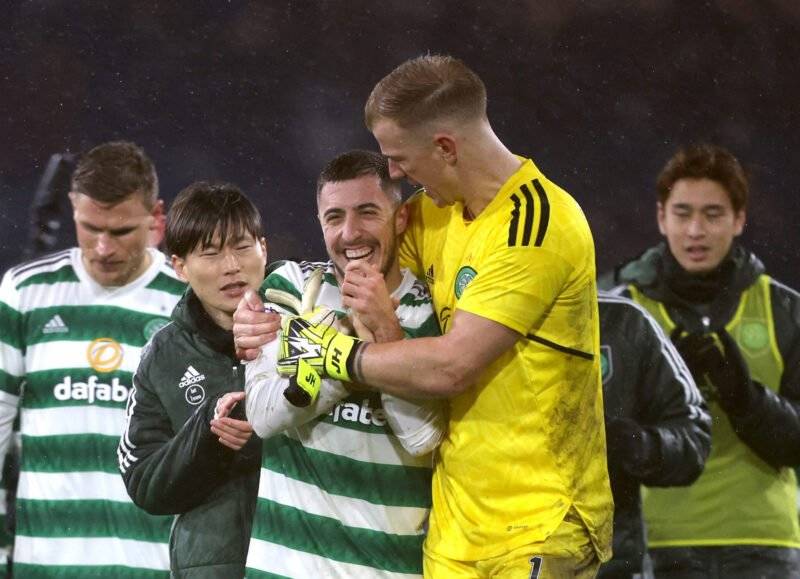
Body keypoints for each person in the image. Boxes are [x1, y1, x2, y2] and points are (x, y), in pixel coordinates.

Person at [234, 55, 613, 578]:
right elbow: (361, 263)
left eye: (398, 158)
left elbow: (450, 368)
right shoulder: (432, 214)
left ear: (445, 148)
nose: (393, 173)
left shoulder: (535, 226)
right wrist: (251, 316)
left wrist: (335, 355)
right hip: (452, 531)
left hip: (537, 522)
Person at [230, 149, 444, 577]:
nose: (350, 233)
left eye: (367, 212)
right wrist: (348, 353)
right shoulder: (291, 288)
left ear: (399, 218)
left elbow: (424, 438)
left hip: (384, 569)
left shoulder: (430, 314)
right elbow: (266, 416)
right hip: (284, 567)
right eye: (334, 217)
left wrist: (385, 332)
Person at [600, 143, 800, 578]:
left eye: (713, 215)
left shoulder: (785, 311)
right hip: (657, 545)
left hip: (763, 543)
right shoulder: (622, 316)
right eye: (683, 213)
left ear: (740, 219)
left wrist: (746, 400)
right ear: (660, 217)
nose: (695, 230)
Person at [0, 141, 183, 577]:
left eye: (120, 232)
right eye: (89, 228)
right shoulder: (25, 294)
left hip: (155, 568)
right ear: (72, 209)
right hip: (43, 567)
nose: (103, 248)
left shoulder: (189, 302)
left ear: (156, 218)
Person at [117, 182, 265, 578]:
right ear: (180, 266)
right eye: (211, 253)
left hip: (309, 561)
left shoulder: (307, 326)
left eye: (242, 246)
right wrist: (208, 434)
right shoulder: (164, 355)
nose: (231, 265)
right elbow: (143, 479)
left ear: (263, 248)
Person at [596, 291, 711, 579]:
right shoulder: (469, 322)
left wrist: (638, 445)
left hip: (610, 565)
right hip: (483, 557)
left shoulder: (623, 321)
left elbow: (693, 436)